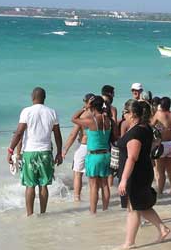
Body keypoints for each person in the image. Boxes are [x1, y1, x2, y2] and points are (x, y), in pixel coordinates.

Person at [117, 100, 171, 248]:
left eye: (125, 112)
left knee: (133, 208)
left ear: (133, 114)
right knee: (142, 205)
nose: (124, 114)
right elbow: (155, 142)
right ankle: (162, 229)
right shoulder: (145, 127)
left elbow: (132, 157)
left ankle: (129, 243)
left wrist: (123, 179)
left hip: (136, 174)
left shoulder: (136, 132)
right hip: (143, 170)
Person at [7, 87, 63, 216]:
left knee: (30, 185)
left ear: (32, 97)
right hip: (46, 152)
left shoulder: (26, 111)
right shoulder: (52, 112)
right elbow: (58, 135)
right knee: (44, 185)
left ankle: (30, 214)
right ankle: (43, 213)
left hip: (30, 153)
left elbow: (19, 133)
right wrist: (59, 152)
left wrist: (11, 150)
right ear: (44, 98)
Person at [71, 96, 113, 214]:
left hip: (94, 156)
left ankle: (93, 212)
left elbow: (74, 118)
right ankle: (105, 210)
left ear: (93, 106)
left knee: (94, 186)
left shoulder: (91, 121)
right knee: (105, 184)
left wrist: (85, 107)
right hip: (106, 154)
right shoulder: (108, 120)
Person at [61, 93, 94, 202]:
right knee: (92, 174)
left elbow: (73, 135)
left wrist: (65, 149)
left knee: (78, 173)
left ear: (85, 102)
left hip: (83, 147)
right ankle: (93, 197)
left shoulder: (82, 116)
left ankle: (77, 198)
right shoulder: (99, 115)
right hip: (95, 147)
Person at [152, 96, 171, 194]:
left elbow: (151, 124)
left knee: (161, 171)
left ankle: (160, 192)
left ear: (160, 105)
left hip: (162, 145)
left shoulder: (159, 114)